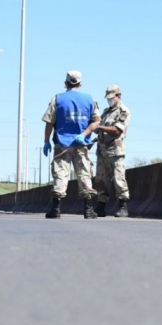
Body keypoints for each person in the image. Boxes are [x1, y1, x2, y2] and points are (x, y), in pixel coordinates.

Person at [41, 70, 101, 219]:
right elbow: (96, 121)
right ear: (80, 83)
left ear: (66, 83)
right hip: (81, 144)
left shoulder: (58, 99)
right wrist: (85, 134)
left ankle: (56, 209)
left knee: (61, 173)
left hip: (62, 143)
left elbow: (50, 121)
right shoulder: (90, 99)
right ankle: (88, 209)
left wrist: (46, 141)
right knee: (84, 173)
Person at [95, 84, 132, 217]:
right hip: (102, 151)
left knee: (118, 178)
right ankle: (100, 206)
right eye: (108, 98)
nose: (110, 100)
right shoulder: (105, 112)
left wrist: (101, 127)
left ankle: (123, 206)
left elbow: (117, 129)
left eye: (112, 98)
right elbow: (99, 129)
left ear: (118, 96)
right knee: (101, 180)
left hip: (115, 151)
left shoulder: (123, 111)